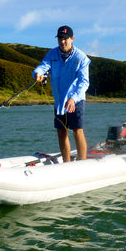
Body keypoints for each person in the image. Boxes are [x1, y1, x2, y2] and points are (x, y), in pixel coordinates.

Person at [32, 25, 91, 162]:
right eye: (60, 38)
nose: (62, 42)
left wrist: (73, 98)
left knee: (77, 130)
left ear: (72, 39)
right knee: (61, 132)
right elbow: (43, 66)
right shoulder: (52, 54)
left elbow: (84, 83)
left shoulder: (81, 58)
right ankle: (66, 162)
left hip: (76, 100)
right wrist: (37, 73)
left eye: (65, 39)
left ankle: (82, 162)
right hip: (59, 101)